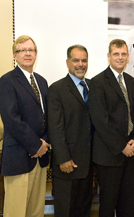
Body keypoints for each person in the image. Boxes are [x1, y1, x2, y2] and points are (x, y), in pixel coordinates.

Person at [89, 39, 134, 217]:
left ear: (128, 57)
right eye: (116, 54)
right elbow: (100, 121)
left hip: (131, 153)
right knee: (108, 204)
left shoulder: (132, 82)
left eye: (123, 54)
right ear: (108, 56)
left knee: (127, 204)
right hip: (109, 155)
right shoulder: (97, 82)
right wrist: (122, 146)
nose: (120, 58)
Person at [0, 35, 50, 217]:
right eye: (22, 50)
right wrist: (35, 145)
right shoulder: (7, 81)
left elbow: (48, 117)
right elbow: (12, 119)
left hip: (40, 157)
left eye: (31, 50)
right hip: (18, 157)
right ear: (15, 55)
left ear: (36, 54)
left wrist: (44, 143)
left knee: (36, 211)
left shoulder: (42, 82)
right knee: (16, 212)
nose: (27, 54)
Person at [47, 45, 93, 217]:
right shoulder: (57, 89)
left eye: (84, 60)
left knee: (83, 211)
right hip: (67, 165)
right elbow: (55, 127)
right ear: (68, 62)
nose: (80, 64)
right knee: (65, 211)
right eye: (76, 60)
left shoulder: (91, 87)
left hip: (88, 166)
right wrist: (63, 158)